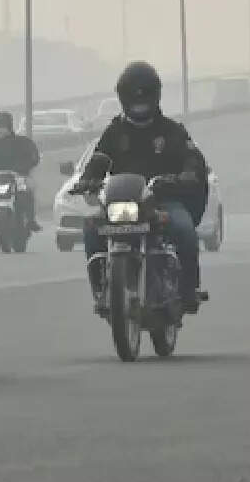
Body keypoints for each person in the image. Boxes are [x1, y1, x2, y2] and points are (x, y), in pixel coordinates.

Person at [73, 61, 208, 312]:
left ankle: (189, 288)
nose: (139, 101)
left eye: (144, 95)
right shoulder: (114, 131)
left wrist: (189, 173)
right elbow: (100, 158)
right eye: (134, 95)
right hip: (121, 201)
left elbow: (191, 156)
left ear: (155, 95)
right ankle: (102, 289)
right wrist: (88, 178)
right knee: (92, 228)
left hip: (163, 199)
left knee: (185, 229)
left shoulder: (171, 131)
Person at [0, 111, 42, 231]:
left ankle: (30, 219)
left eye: (4, 127)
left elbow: (33, 155)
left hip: (18, 175)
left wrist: (27, 166)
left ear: (10, 127)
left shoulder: (22, 141)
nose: (2, 130)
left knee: (28, 189)